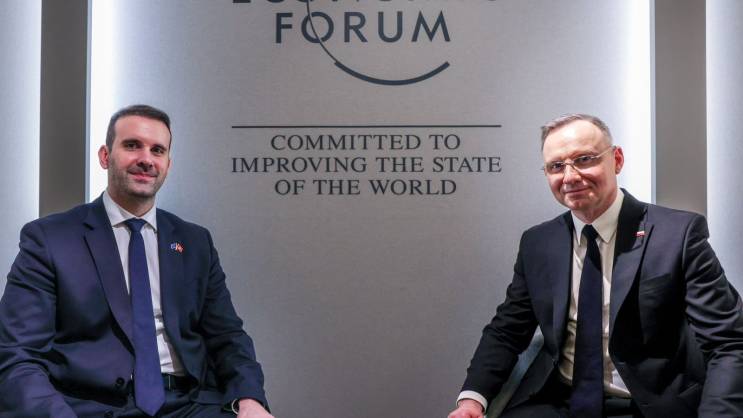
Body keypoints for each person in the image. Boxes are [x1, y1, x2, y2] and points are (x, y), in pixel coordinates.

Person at [448, 114, 743, 418]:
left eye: (584, 159)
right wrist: (472, 400)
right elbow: (507, 330)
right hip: (558, 402)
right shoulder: (538, 243)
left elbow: (728, 342)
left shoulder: (677, 235)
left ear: (617, 160)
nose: (570, 176)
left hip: (648, 406)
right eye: (556, 166)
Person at [0, 105, 274, 418]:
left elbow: (227, 337)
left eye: (157, 150)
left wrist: (249, 398)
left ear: (168, 165)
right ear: (105, 156)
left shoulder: (195, 242)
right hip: (91, 408)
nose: (146, 159)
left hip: (189, 405)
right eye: (132, 145)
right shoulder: (50, 239)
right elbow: (18, 355)